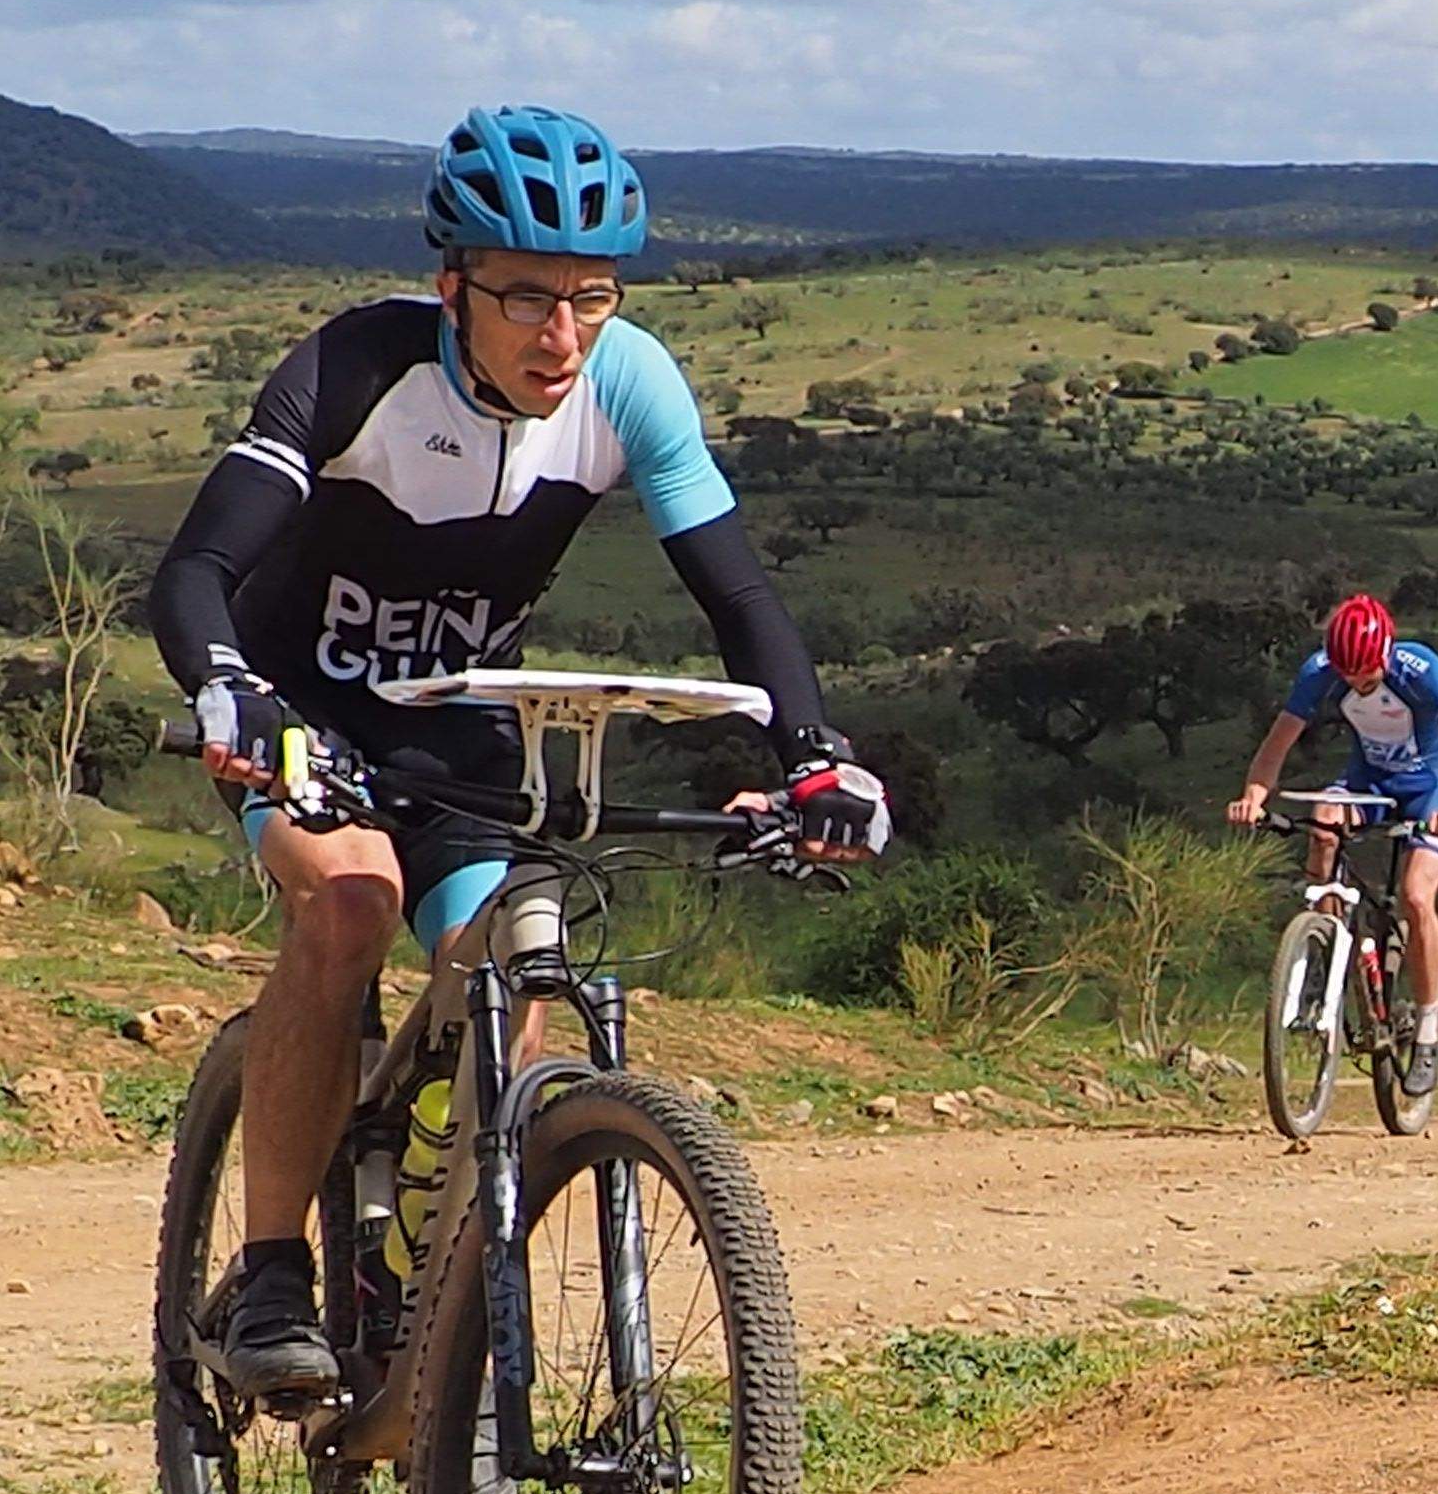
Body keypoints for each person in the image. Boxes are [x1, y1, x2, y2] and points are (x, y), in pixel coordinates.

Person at [148, 102, 886, 1401]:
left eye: (591, 298)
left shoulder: (629, 384)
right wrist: (228, 691)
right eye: (527, 298)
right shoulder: (359, 369)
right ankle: (273, 1267)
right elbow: (199, 569)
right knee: (355, 901)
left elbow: (742, 602)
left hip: (460, 726)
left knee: (520, 967)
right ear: (454, 285)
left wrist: (814, 755)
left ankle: (415, 1260)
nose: (562, 336)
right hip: (303, 712)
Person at [1225, 593, 1438, 1095]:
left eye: (1365, 674)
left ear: (1385, 654)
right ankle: (1325, 949)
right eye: (1347, 675)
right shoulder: (1320, 671)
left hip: (1431, 784)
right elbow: (1275, 747)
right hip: (1370, 780)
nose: (1355, 683)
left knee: (1415, 896)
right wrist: (1253, 798)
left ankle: (1429, 1029)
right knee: (1323, 823)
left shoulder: (1426, 670)